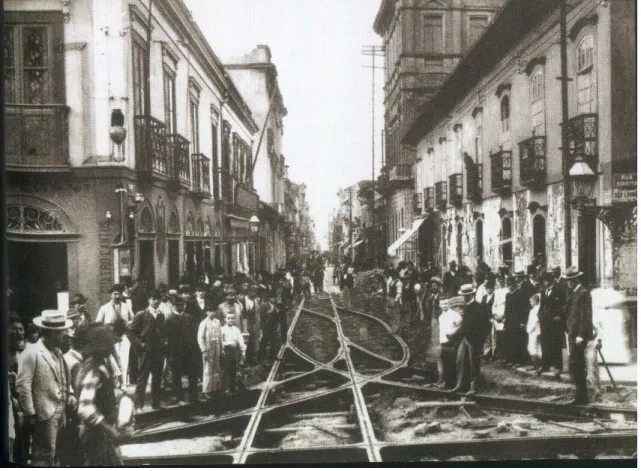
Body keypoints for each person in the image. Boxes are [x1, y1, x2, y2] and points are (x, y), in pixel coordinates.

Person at [16, 310, 77, 467]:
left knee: (56, 453)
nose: (64, 335)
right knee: (44, 454)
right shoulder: (32, 353)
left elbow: (63, 376)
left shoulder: (58, 353)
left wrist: (69, 393)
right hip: (44, 413)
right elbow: (23, 385)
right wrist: (30, 413)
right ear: (50, 333)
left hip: (60, 411)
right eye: (61, 332)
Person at [76, 324, 125, 465]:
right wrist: (108, 428)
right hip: (95, 435)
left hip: (102, 434)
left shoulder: (101, 365)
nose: (112, 347)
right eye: (109, 344)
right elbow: (85, 408)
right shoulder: (93, 370)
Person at [450, 284, 490, 396]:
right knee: (460, 361)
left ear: (471, 294)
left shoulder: (479, 307)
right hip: (465, 338)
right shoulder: (466, 306)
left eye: (466, 295)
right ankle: (460, 385)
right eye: (463, 295)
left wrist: (480, 340)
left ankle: (473, 387)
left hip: (474, 340)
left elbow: (486, 326)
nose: (464, 297)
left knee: (474, 364)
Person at [128, 290, 165, 411]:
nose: (156, 301)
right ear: (149, 300)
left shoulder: (161, 315)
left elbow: (162, 332)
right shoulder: (142, 314)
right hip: (146, 352)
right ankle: (139, 405)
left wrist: (164, 343)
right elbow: (130, 332)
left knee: (157, 378)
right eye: (154, 299)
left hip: (158, 352)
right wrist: (140, 345)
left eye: (158, 299)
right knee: (142, 378)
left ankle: (156, 404)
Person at [563, 267, 594, 405]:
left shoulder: (583, 293)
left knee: (576, 364)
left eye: (571, 280)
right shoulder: (574, 293)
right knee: (576, 365)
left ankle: (582, 397)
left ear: (577, 279)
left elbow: (585, 316)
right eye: (568, 280)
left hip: (578, 336)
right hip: (573, 334)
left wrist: (581, 335)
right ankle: (581, 396)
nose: (569, 283)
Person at [96, 284, 134, 386]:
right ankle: (115, 382)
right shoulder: (104, 308)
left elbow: (133, 320)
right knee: (115, 358)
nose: (117, 296)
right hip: (111, 337)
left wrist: (128, 323)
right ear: (111, 295)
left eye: (119, 294)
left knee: (124, 359)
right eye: (115, 294)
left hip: (124, 336)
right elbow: (98, 323)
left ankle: (123, 383)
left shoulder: (126, 306)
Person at [165, 296, 200, 404]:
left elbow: (194, 335)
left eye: (182, 305)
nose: (180, 307)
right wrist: (169, 355)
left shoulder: (189, 317)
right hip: (176, 353)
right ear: (173, 306)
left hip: (189, 351)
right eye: (177, 305)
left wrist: (195, 350)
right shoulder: (169, 320)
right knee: (176, 376)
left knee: (192, 375)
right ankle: (179, 398)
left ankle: (193, 397)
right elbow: (167, 339)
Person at [538, 271, 566, 377]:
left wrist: (560, 316)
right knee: (545, 343)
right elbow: (542, 304)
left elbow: (563, 305)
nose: (546, 283)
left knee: (555, 344)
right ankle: (545, 365)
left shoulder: (559, 290)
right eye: (544, 281)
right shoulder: (543, 291)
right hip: (544, 321)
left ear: (551, 280)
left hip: (555, 322)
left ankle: (558, 367)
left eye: (547, 281)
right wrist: (539, 314)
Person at [198, 302, 224, 399]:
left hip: (217, 345)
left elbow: (220, 336)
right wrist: (204, 350)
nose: (212, 313)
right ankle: (206, 390)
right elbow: (200, 338)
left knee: (216, 367)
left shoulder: (217, 322)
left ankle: (215, 388)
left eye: (214, 311)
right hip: (208, 347)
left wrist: (222, 348)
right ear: (206, 312)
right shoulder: (203, 323)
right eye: (210, 311)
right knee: (208, 368)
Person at [438, 298, 463, 389]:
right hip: (443, 342)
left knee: (452, 363)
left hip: (452, 342)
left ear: (449, 304)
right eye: (442, 304)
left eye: (446, 303)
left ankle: (453, 384)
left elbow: (460, 326)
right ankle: (447, 384)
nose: (444, 305)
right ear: (440, 305)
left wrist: (452, 335)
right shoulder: (440, 317)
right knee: (445, 364)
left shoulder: (455, 315)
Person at [221, 313, 247, 393]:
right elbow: (221, 341)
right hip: (227, 350)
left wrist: (243, 352)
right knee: (226, 369)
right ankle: (224, 388)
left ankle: (232, 387)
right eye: (229, 318)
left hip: (235, 350)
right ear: (225, 319)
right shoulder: (222, 329)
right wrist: (222, 350)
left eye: (232, 318)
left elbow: (241, 341)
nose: (230, 320)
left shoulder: (236, 329)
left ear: (235, 319)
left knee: (234, 369)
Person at [423, 277, 443, 378]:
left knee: (439, 339)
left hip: (440, 320)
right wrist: (427, 323)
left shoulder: (442, 297)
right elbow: (427, 312)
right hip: (432, 320)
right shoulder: (430, 299)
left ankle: (439, 357)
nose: (434, 287)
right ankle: (433, 359)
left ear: (439, 287)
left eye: (436, 286)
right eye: (432, 286)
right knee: (432, 339)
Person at [259, 289, 281, 362]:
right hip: (266, 327)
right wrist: (270, 312)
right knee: (264, 342)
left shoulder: (275, 306)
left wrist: (277, 313)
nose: (274, 299)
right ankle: (262, 358)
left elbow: (278, 317)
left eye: (274, 298)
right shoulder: (264, 305)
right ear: (269, 298)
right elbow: (261, 316)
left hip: (273, 326)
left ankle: (273, 357)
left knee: (273, 342)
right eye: (272, 298)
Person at [526, 294, 542, 371]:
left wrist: (529, 329)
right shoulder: (534, 309)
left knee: (532, 347)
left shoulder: (536, 310)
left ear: (535, 301)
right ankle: (538, 365)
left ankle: (537, 365)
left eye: (531, 301)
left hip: (534, 331)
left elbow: (535, 321)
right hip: (537, 330)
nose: (530, 303)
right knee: (538, 347)